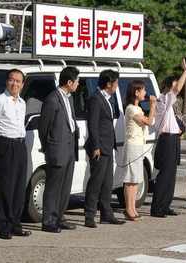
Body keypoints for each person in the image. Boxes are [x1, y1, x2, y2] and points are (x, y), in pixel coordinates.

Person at [0, 68, 31, 239]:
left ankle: (15, 224)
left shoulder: (22, 102)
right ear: (7, 81)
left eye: (18, 81)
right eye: (12, 80)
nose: (15, 84)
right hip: (5, 144)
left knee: (19, 187)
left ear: (22, 84)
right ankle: (4, 226)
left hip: (20, 145)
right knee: (6, 187)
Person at [38, 67, 80, 233]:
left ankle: (59, 216)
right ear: (69, 82)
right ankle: (48, 220)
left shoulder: (68, 98)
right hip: (57, 148)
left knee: (65, 186)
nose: (78, 84)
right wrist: (48, 147)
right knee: (53, 187)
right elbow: (44, 127)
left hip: (69, 147)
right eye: (76, 81)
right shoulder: (52, 99)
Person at [84, 69, 125, 228]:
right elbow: (92, 124)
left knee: (108, 182)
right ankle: (89, 214)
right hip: (99, 147)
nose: (117, 86)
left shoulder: (108, 98)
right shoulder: (96, 99)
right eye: (115, 83)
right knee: (96, 182)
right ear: (108, 84)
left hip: (108, 146)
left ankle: (106, 213)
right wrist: (95, 146)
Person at [150, 58, 186, 218]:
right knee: (164, 175)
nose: (175, 88)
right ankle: (157, 207)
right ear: (167, 86)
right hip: (166, 139)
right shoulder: (163, 98)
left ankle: (165, 205)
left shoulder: (168, 103)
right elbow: (178, 88)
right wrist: (185, 71)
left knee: (171, 174)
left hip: (173, 139)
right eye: (173, 85)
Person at [122, 80, 156, 221]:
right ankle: (128, 208)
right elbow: (148, 121)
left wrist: (151, 110)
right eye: (143, 90)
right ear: (136, 92)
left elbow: (150, 120)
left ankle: (133, 207)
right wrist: (153, 105)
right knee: (130, 179)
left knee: (136, 179)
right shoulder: (131, 108)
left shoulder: (139, 108)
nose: (145, 93)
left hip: (138, 145)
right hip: (132, 145)